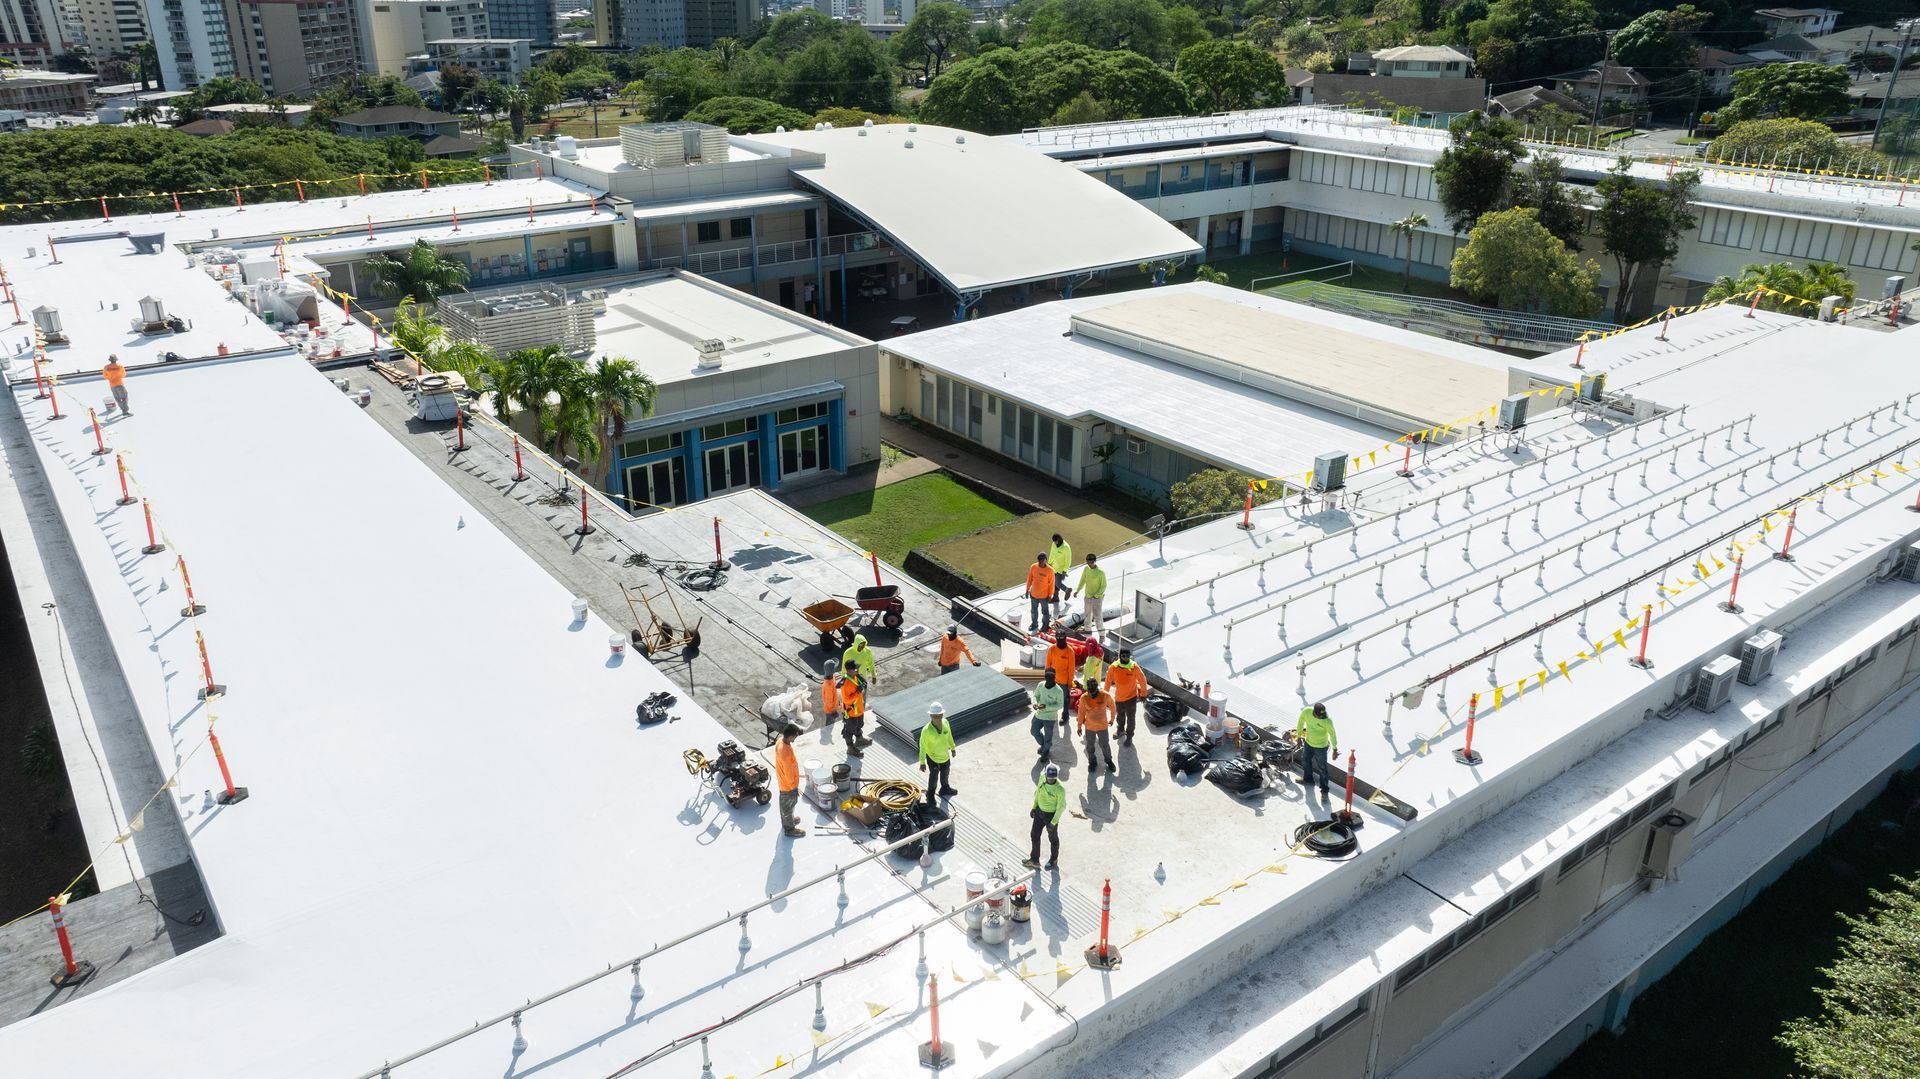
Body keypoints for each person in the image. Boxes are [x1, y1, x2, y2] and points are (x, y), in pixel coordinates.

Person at [1022, 765, 1065, 870]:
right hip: (1039, 812)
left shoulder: (1060, 789)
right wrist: (1034, 807)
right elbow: (1038, 792)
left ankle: (1053, 859)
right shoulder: (1042, 777)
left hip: (1051, 816)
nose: (1050, 780)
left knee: (1053, 839)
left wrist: (1053, 822)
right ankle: (1034, 860)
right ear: (1045, 775)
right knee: (1034, 835)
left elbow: (1061, 807)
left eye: (1052, 778)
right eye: (1049, 778)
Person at [1104, 648, 1148, 748]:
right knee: (1120, 716)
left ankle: (1129, 737)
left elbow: (1142, 679)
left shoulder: (1134, 667)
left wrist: (1143, 694)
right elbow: (1108, 681)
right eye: (1123, 656)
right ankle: (1120, 730)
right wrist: (1105, 695)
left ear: (1130, 656)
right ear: (1120, 656)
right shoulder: (1114, 667)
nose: (1125, 658)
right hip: (1119, 698)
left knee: (1131, 719)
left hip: (1131, 698)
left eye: (1127, 656)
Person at [1296, 702, 1338, 800]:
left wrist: (1335, 749)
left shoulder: (1327, 721)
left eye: (1323, 716)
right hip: (1308, 743)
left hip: (1321, 747)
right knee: (1305, 760)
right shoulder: (1306, 712)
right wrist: (1298, 737)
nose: (1321, 718)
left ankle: (1324, 790)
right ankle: (1308, 779)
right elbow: (1300, 722)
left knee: (1322, 768)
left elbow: (1332, 734)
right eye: (1320, 716)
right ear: (1314, 713)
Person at [917, 703, 957, 801]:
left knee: (945, 773)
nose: (938, 718)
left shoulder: (945, 722)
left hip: (944, 756)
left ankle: (945, 788)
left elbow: (949, 735)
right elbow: (922, 746)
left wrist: (952, 748)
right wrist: (922, 762)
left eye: (940, 716)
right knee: (934, 777)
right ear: (931, 716)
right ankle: (930, 795)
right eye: (935, 716)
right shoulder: (926, 730)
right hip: (933, 758)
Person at [1077, 677, 1115, 775]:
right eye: (1090, 692)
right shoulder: (1084, 698)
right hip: (1089, 728)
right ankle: (1092, 762)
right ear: (1088, 689)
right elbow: (1081, 712)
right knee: (1090, 746)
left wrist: (1112, 718)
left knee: (1105, 745)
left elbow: (1112, 706)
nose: (1092, 694)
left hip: (1102, 727)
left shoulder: (1105, 695)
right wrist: (1079, 726)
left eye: (1094, 692)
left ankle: (1109, 761)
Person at [775, 724, 804, 837]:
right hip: (788, 785)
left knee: (786, 805)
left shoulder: (780, 742)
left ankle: (789, 820)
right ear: (791, 736)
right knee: (787, 806)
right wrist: (793, 787)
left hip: (783, 781)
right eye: (795, 736)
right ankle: (789, 828)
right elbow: (788, 773)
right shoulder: (785, 753)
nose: (796, 738)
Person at [1030, 668, 1064, 760]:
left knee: (1048, 735)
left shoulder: (1058, 691)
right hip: (1039, 714)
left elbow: (1060, 705)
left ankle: (1046, 751)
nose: (1049, 682)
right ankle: (1044, 745)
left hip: (1050, 717)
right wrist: (1035, 703)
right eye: (1047, 680)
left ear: (1054, 679)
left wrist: (1046, 707)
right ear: (1045, 679)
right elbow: (1035, 695)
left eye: (1051, 680)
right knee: (1034, 731)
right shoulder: (1041, 685)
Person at [1071, 552, 1107, 636]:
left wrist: (1096, 595)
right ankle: (1087, 630)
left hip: (1097, 599)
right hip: (1087, 597)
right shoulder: (1086, 569)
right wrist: (1078, 590)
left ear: (1094, 561)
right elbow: (1083, 580)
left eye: (1090, 562)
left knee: (1098, 616)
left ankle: (1102, 634)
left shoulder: (1101, 572)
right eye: (1087, 562)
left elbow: (1103, 586)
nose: (1089, 564)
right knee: (1087, 614)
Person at [840, 662, 871, 756]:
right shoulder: (845, 684)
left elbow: (862, 684)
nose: (857, 670)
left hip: (858, 709)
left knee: (859, 724)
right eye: (855, 669)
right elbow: (846, 700)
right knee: (849, 730)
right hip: (851, 712)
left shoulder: (855, 677)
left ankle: (859, 739)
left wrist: (862, 682)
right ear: (849, 671)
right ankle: (850, 748)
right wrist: (857, 693)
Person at [1026, 554, 1056, 631]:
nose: (1040, 563)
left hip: (1044, 596)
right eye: (1039, 561)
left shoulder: (1050, 570)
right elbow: (1029, 579)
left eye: (1042, 561)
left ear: (1046, 560)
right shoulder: (1033, 567)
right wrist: (1027, 589)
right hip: (1034, 595)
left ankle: (1045, 626)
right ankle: (1034, 624)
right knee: (1033, 611)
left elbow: (1052, 584)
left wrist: (1050, 595)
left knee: (1045, 612)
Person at [1048, 533, 1073, 603]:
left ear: (1059, 539)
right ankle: (1056, 598)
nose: (1055, 543)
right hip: (1054, 567)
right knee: (1054, 583)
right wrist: (1049, 563)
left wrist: (1065, 571)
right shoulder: (1053, 544)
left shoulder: (1066, 547)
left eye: (1056, 541)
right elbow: (1052, 553)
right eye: (1054, 542)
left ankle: (1067, 590)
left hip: (1061, 569)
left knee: (1057, 583)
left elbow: (1068, 560)